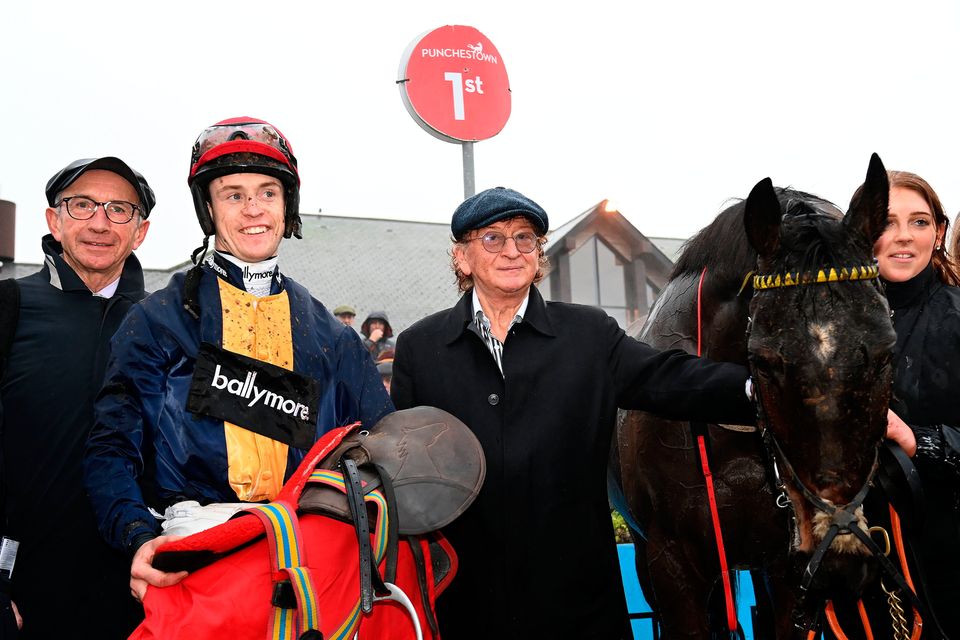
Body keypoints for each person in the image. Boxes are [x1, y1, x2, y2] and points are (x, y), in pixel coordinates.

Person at [390, 186, 756, 639]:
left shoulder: (588, 334)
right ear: (462, 258)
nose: (512, 251)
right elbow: (402, 471)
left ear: (539, 256)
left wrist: (756, 388)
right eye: (493, 239)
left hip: (576, 603)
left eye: (526, 239)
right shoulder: (420, 348)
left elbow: (668, 377)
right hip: (462, 602)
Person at [83, 117, 393, 602]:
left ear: (287, 206)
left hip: (310, 560)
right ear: (209, 209)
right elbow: (111, 448)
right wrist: (137, 535)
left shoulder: (335, 338)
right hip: (193, 559)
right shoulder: (157, 320)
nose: (253, 209)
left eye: (267, 192)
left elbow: (382, 447)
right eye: (233, 195)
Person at [0, 157, 154, 638]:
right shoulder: (10, 306)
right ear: (54, 220)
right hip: (22, 589)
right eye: (82, 205)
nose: (100, 223)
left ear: (140, 232)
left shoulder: (165, 325)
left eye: (119, 210)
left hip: (135, 590)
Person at [860, 171, 960, 637]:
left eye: (919, 222)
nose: (903, 236)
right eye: (887, 222)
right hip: (855, 560)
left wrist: (915, 439)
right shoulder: (830, 324)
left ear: (938, 233)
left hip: (948, 557)